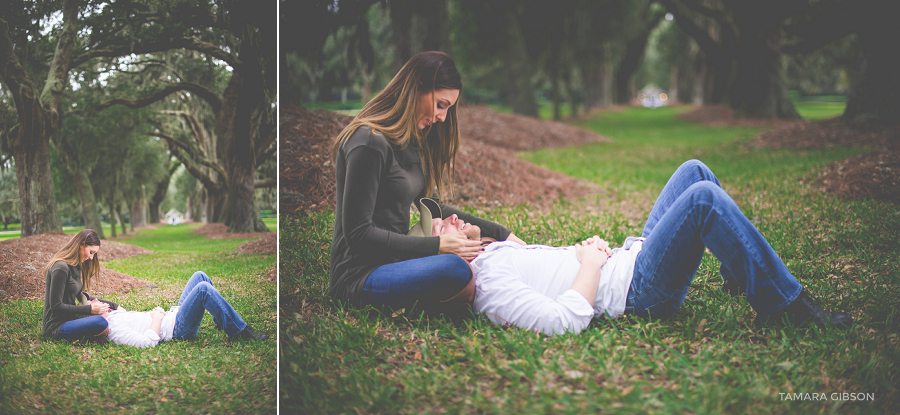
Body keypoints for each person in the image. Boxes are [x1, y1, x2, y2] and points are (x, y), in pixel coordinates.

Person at [431, 160, 852, 335]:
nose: (453, 217)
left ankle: (740, 277)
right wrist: (591, 261)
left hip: (631, 257)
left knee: (694, 170)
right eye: (440, 224)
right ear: (439, 251)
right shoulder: (490, 285)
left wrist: (463, 236)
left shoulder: (497, 251)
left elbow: (489, 228)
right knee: (702, 198)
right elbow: (562, 321)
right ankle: (783, 306)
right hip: (639, 290)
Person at [329, 50, 525, 314]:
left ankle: (467, 293)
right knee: (454, 267)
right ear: (417, 88)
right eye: (441, 104)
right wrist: (438, 246)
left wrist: (505, 236)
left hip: (396, 263)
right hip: (359, 278)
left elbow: (432, 208)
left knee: (475, 255)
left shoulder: (412, 142)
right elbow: (358, 234)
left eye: (448, 108)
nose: (443, 117)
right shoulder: (368, 142)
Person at [101, 271, 267, 348]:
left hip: (174, 314)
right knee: (203, 289)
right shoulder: (113, 329)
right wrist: (157, 317)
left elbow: (112, 305)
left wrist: (101, 305)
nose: (98, 302)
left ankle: (220, 321)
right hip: (178, 328)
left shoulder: (114, 314)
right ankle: (239, 332)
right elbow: (146, 343)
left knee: (199, 276)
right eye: (95, 304)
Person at [42, 229, 119, 342]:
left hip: (71, 319)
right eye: (91, 252)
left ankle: (93, 336)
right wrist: (90, 309)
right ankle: (93, 336)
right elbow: (56, 307)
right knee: (100, 322)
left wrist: (114, 306)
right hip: (56, 327)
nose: (91, 258)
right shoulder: (60, 268)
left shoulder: (75, 266)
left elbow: (82, 297)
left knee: (109, 315)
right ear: (81, 244)